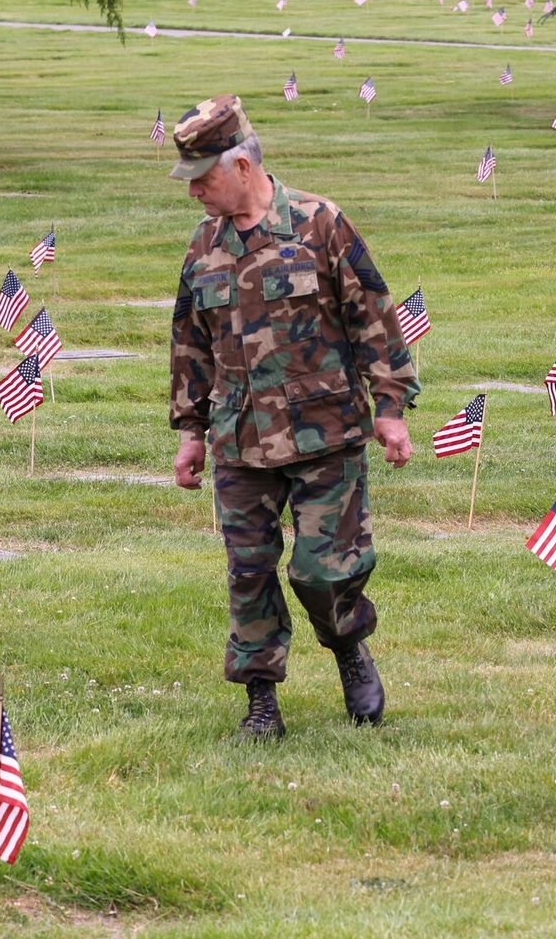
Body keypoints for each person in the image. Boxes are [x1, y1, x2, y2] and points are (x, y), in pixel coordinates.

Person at [166, 95, 420, 739]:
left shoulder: (320, 224)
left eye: (204, 177)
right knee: (248, 571)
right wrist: (191, 433)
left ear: (244, 166)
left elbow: (373, 317)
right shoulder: (203, 248)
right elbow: (190, 345)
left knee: (322, 569)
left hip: (324, 432)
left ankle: (347, 645)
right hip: (239, 439)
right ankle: (261, 701)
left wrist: (390, 409)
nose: (194, 191)